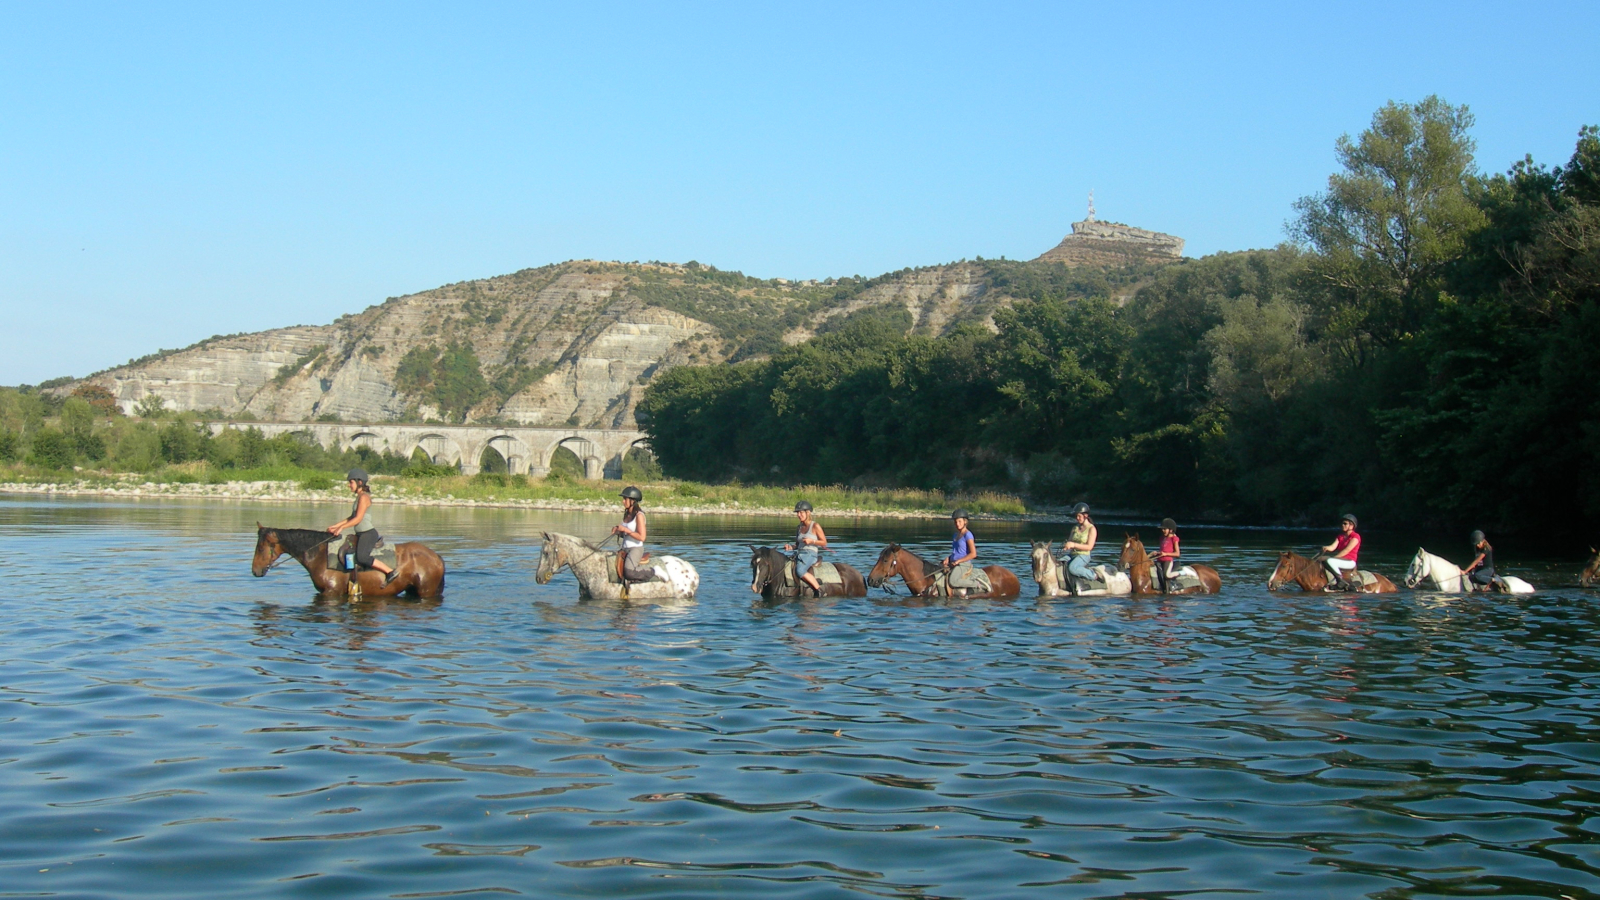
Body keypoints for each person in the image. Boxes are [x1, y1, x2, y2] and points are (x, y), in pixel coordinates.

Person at [327, 468, 396, 584]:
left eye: (351, 482)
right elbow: (351, 517)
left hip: (368, 533)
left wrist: (342, 528)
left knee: (362, 557)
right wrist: (335, 526)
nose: (349, 485)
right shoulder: (358, 497)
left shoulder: (364, 497)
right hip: (360, 533)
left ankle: (390, 572)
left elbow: (358, 519)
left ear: (359, 482)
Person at [784, 500, 828, 596]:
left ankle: (819, 590)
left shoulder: (815, 526)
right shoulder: (799, 527)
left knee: (800, 571)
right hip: (799, 553)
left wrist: (812, 541)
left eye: (801, 512)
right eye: (797, 513)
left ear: (808, 513)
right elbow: (797, 545)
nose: (799, 515)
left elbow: (824, 542)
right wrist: (790, 547)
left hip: (810, 554)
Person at [612, 486, 654, 584]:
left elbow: (642, 537)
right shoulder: (627, 515)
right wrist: (618, 532)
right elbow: (626, 534)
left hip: (635, 549)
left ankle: (653, 572)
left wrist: (626, 530)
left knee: (629, 572)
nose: (623, 502)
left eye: (625, 499)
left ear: (632, 501)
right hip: (624, 548)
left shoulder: (639, 516)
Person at [1061, 503, 1098, 594]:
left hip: (1084, 555)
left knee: (1072, 568)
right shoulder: (1075, 528)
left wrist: (1073, 545)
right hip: (1072, 554)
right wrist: (1066, 546)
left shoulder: (1091, 529)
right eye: (1076, 516)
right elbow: (1070, 540)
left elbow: (1089, 547)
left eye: (1079, 516)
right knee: (1058, 563)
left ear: (1085, 516)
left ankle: (1093, 575)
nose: (1077, 518)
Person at [943, 509, 980, 594]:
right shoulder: (955, 535)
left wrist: (959, 561)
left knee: (953, 581)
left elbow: (973, 554)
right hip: (954, 562)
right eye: (956, 522)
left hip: (964, 564)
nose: (957, 524)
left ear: (965, 522)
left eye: (959, 521)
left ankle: (975, 584)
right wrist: (948, 558)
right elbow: (957, 551)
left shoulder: (968, 535)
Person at [1321, 513, 1361, 591]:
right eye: (1342, 523)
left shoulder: (1355, 537)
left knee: (1329, 561)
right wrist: (1326, 548)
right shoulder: (1340, 536)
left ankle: (1340, 581)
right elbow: (1333, 547)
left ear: (1352, 526)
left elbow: (1347, 550)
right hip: (1341, 561)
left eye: (1345, 523)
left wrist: (1334, 558)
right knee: (1321, 559)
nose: (1343, 525)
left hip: (1350, 562)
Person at [1151, 517, 1181, 593]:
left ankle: (1181, 573)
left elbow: (1177, 554)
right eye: (1162, 529)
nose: (1163, 530)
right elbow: (1163, 550)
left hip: (1168, 561)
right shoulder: (1162, 538)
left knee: (1166, 575)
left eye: (1165, 529)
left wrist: (1165, 554)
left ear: (1171, 530)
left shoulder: (1174, 539)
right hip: (1159, 560)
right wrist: (1157, 553)